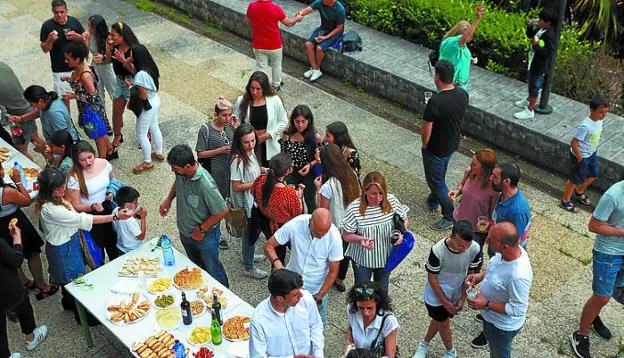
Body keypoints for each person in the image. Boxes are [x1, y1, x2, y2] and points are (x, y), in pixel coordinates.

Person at [37, 167, 131, 317]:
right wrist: (115, 217)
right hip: (64, 248)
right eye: (58, 189)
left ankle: (68, 302)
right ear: (49, 190)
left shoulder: (54, 199)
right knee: (74, 279)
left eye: (63, 186)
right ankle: (81, 314)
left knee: (71, 278)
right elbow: (84, 220)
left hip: (70, 241)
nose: (62, 190)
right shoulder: (51, 210)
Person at [159, 144, 230, 287]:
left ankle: (223, 296)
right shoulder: (181, 174)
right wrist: (168, 199)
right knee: (196, 268)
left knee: (213, 270)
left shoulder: (205, 184)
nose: (173, 170)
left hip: (204, 237)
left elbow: (222, 210)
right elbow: (177, 182)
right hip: (186, 233)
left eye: (176, 168)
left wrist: (202, 229)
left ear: (187, 166)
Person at [569, 180, 624, 358]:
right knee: (602, 297)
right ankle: (580, 335)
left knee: (615, 292)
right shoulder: (613, 195)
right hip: (609, 254)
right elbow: (594, 226)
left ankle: (593, 317)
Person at [414, 220, 482, 358]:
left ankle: (424, 344)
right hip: (436, 294)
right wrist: (444, 301)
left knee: (439, 320)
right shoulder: (438, 250)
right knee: (443, 323)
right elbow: (432, 278)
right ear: (451, 236)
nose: (463, 249)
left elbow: (470, 273)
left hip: (456, 291)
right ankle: (451, 351)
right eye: (459, 245)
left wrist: (462, 298)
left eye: (466, 246)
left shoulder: (475, 248)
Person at [265, 209, 343, 326]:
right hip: (291, 286)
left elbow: (333, 271)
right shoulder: (296, 224)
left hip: (316, 288)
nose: (321, 237)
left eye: (324, 233)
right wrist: (279, 265)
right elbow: (268, 246)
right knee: (287, 321)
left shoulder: (334, 236)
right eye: (317, 233)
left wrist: (319, 297)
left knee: (317, 323)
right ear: (310, 221)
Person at [466, 222, 533, 358]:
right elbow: (496, 266)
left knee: (499, 354)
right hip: (490, 317)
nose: (487, 240)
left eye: (491, 239)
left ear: (505, 246)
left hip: (500, 327)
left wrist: (486, 304)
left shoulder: (518, 276)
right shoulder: (507, 252)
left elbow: (518, 310)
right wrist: (480, 276)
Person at [342, 171, 410, 293]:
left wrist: (401, 234)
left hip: (386, 258)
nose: (377, 198)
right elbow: (346, 235)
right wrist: (361, 239)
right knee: (362, 291)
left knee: (382, 291)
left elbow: (405, 219)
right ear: (365, 191)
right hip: (363, 258)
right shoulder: (354, 209)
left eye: (381, 193)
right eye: (373, 193)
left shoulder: (392, 201)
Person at [421, 60, 469, 231]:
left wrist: (425, 145)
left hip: (436, 147)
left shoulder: (435, 102)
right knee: (440, 173)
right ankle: (434, 199)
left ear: (438, 77)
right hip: (452, 143)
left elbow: (427, 129)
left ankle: (449, 214)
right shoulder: (462, 94)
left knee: (436, 181)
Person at [0, 165, 57, 301]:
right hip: (15, 222)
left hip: (1, 227)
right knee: (32, 253)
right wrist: (18, 182)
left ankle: (24, 282)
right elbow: (26, 201)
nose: (2, 171)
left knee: (12, 256)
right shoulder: (6, 192)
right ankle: (41, 286)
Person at [314, 143, 360, 292]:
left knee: (333, 255)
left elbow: (322, 211)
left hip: (335, 228)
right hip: (352, 225)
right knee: (345, 255)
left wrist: (317, 189)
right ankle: (340, 279)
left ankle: (329, 277)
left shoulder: (328, 186)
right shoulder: (352, 175)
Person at [249, 269, 324, 358]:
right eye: (295, 295)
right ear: (280, 299)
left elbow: (316, 326)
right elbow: (258, 356)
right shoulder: (259, 321)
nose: (301, 295)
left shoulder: (306, 298)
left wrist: (318, 354)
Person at [1, 224, 48, 358]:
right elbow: (16, 260)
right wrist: (17, 239)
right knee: (23, 305)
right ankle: (31, 337)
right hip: (9, 287)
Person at [66, 141, 118, 261]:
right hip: (90, 214)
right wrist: (92, 207)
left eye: (90, 157)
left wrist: (111, 192)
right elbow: (75, 204)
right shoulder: (74, 177)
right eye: (82, 160)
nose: (88, 162)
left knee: (113, 241)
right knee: (97, 247)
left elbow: (113, 179)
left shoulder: (104, 163)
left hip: (107, 206)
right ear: (76, 160)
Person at [63, 41, 114, 159]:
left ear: (78, 59)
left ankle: (102, 160)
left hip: (92, 110)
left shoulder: (85, 76)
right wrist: (67, 79)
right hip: (86, 109)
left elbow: (93, 96)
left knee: (98, 136)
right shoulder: (79, 68)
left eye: (68, 59)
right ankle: (110, 149)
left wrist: (74, 96)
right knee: (100, 132)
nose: (66, 61)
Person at [196, 96, 236, 249]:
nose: (227, 118)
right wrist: (220, 150)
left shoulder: (229, 126)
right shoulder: (206, 129)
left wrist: (235, 127)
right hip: (213, 172)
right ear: (216, 114)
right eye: (224, 115)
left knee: (225, 201)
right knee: (214, 205)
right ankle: (216, 234)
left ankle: (220, 231)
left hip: (228, 171)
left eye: (229, 115)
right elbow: (200, 153)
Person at [448, 148, 497, 272]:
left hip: (476, 228)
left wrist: (490, 224)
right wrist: (457, 191)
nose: (470, 165)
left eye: (474, 163)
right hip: (459, 218)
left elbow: (494, 210)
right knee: (457, 245)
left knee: (475, 252)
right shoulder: (470, 172)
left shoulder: (494, 187)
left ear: (484, 168)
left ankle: (474, 273)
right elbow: (462, 185)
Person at [230, 124, 268, 279]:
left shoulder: (251, 153)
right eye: (246, 142)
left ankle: (249, 256)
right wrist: (257, 182)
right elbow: (236, 186)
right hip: (246, 205)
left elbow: (254, 169)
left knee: (250, 234)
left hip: (254, 200)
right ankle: (248, 267)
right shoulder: (237, 161)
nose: (251, 144)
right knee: (249, 234)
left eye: (253, 141)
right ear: (239, 142)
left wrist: (263, 170)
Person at [252, 152, 304, 266]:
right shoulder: (288, 193)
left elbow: (253, 192)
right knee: (280, 253)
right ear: (288, 171)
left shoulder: (261, 179)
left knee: (274, 250)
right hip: (281, 226)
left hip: (264, 220)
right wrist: (299, 197)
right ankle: (279, 274)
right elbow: (297, 213)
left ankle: (276, 269)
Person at [560, 97, 609, 212]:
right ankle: (565, 200)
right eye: (601, 112)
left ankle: (579, 191)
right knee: (574, 179)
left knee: (593, 174)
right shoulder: (585, 126)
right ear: (592, 110)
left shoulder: (599, 121)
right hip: (581, 156)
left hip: (591, 153)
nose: (604, 115)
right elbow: (573, 143)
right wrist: (580, 158)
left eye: (606, 112)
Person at [244, 0, 302, 91]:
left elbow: (247, 21)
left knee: (261, 66)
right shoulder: (276, 8)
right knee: (276, 65)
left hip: (258, 43)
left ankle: (261, 86)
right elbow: (289, 23)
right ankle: (276, 85)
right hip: (274, 44)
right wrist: (297, 19)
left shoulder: (252, 6)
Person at [234, 71, 288, 167]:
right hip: (249, 144)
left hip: (269, 144)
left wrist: (269, 135)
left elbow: (283, 121)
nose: (254, 92)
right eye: (252, 88)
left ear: (264, 88)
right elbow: (236, 121)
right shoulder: (241, 101)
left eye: (258, 89)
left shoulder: (275, 100)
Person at [39, 0, 85, 111]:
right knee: (64, 100)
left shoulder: (74, 21)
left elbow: (84, 38)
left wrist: (77, 37)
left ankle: (85, 121)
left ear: (66, 11)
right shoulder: (47, 26)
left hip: (78, 67)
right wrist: (50, 40)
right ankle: (68, 126)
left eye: (61, 12)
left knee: (83, 96)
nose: (59, 15)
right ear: (52, 11)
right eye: (56, 12)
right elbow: (45, 49)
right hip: (60, 69)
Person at [513, 8, 557, 120]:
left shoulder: (550, 34)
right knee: (531, 82)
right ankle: (528, 100)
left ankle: (530, 109)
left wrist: (537, 44)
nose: (539, 22)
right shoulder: (541, 29)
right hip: (533, 61)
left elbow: (549, 52)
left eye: (542, 20)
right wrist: (529, 25)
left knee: (534, 86)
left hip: (539, 65)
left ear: (549, 22)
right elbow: (530, 35)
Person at [127, 44, 164, 174]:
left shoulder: (141, 75)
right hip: (155, 100)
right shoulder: (149, 67)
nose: (129, 56)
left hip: (147, 104)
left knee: (141, 133)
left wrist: (131, 86)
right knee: (154, 127)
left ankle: (147, 162)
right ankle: (159, 153)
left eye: (131, 54)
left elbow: (142, 95)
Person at [0, 62, 46, 160]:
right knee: (35, 138)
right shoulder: (2, 65)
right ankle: (52, 162)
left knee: (21, 151)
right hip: (27, 107)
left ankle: (35, 173)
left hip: (18, 115)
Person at [280, 105, 322, 212]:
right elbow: (283, 153)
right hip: (291, 172)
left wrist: (310, 164)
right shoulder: (287, 134)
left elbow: (320, 157)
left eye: (303, 121)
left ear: (309, 121)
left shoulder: (315, 136)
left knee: (310, 201)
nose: (300, 125)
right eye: (297, 121)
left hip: (309, 173)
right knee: (294, 201)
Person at [344, 282, 399, 358]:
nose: (365, 312)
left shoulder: (389, 321)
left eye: (369, 308)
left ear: (377, 303)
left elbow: (390, 355)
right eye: (361, 308)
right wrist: (348, 345)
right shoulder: (352, 310)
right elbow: (350, 328)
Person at [296, 0, 346, 82]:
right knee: (309, 44)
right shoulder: (320, 2)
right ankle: (315, 68)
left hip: (334, 33)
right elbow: (307, 10)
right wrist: (300, 14)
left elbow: (339, 28)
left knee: (319, 48)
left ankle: (317, 69)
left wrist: (326, 37)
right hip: (323, 29)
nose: (323, 0)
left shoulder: (340, 9)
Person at [438, 5, 485, 90]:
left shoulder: (463, 46)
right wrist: (478, 19)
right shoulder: (450, 42)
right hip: (449, 87)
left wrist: (470, 60)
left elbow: (458, 58)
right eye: (466, 32)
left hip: (460, 87)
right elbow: (465, 38)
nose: (469, 37)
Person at [109, 21, 140, 149]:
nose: (110, 38)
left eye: (113, 35)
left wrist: (124, 61)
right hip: (120, 82)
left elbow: (138, 72)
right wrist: (107, 49)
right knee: (116, 112)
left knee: (140, 113)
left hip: (134, 83)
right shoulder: (114, 47)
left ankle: (146, 135)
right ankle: (117, 135)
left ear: (122, 36)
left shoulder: (134, 49)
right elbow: (107, 60)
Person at [490, 162, 531, 250]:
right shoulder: (503, 194)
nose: (491, 178)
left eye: (495, 177)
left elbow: (513, 243)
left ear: (506, 182)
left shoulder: (517, 211)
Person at [85, 15, 118, 107]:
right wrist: (85, 40)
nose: (89, 28)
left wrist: (103, 56)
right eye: (88, 26)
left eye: (91, 26)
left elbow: (113, 55)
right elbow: (86, 53)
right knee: (98, 93)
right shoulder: (90, 36)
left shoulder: (108, 38)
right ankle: (102, 117)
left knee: (114, 91)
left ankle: (118, 113)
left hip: (107, 67)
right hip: (95, 66)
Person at [112, 186, 146, 255]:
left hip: (120, 247)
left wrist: (135, 215)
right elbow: (141, 237)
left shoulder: (115, 211)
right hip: (132, 249)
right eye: (135, 202)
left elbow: (115, 229)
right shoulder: (131, 221)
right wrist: (143, 218)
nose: (137, 204)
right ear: (126, 205)